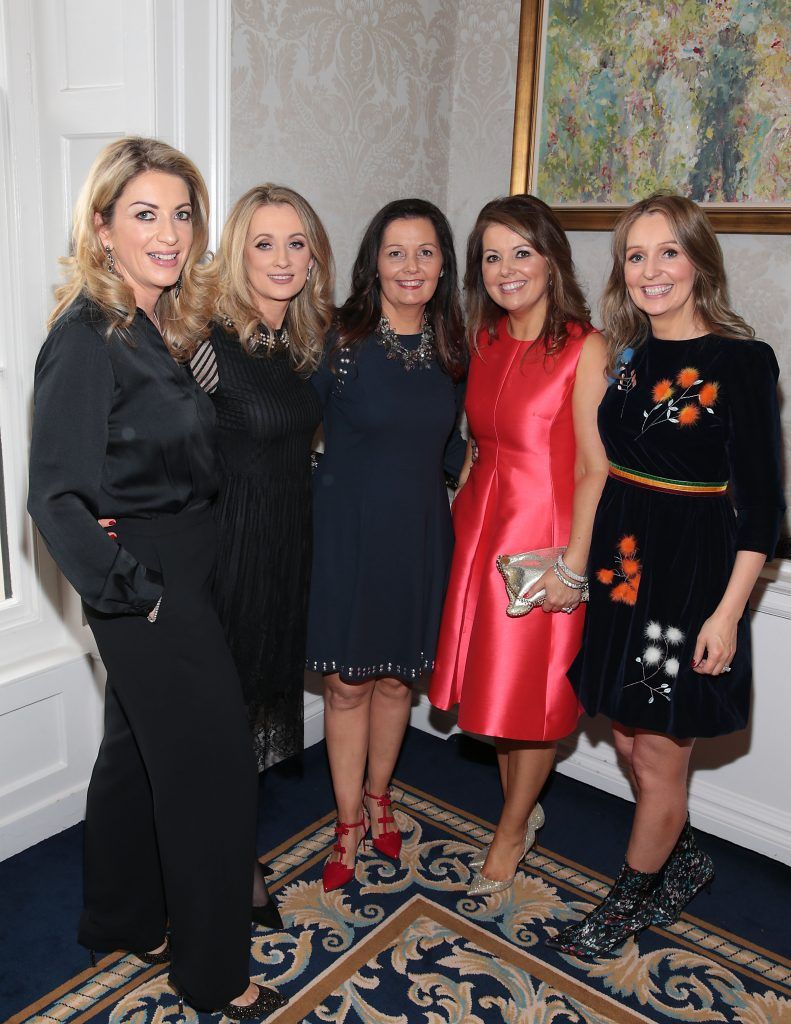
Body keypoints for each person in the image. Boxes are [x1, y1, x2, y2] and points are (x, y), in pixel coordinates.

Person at [27, 137, 286, 1019]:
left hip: (190, 560)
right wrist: (133, 589)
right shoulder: (84, 335)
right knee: (215, 774)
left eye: (181, 213)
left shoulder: (163, 323)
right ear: (102, 228)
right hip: (148, 583)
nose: (169, 233)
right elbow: (53, 496)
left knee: (134, 754)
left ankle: (123, 916)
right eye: (145, 214)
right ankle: (214, 973)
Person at [548, 192, 785, 956]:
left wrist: (726, 614)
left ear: (698, 262)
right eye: (635, 255)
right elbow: (602, 466)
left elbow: (761, 506)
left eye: (667, 252)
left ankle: (626, 899)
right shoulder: (626, 356)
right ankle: (679, 863)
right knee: (625, 734)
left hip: (688, 582)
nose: (651, 271)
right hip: (625, 571)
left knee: (658, 751)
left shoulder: (739, 362)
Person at [429, 195, 610, 896]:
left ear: (550, 259)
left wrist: (574, 565)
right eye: (491, 256)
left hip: (543, 544)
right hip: (481, 532)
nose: (506, 270)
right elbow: (478, 443)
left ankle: (509, 829)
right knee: (498, 694)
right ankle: (518, 811)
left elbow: (595, 468)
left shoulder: (583, 347)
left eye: (520, 253)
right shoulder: (484, 340)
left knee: (531, 703)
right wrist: (457, 520)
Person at [305, 198, 467, 892]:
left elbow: (468, 442)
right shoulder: (338, 340)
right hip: (346, 533)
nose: (409, 266)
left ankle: (380, 797)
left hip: (421, 533)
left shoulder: (458, 347)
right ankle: (346, 820)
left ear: (442, 266)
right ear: (373, 260)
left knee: (399, 678)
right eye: (394, 251)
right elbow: (283, 426)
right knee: (345, 685)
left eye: (424, 252)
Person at [190, 184, 333, 928]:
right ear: (238, 255)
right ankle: (224, 868)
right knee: (222, 724)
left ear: (314, 257)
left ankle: (225, 848)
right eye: (264, 244)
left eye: (296, 243)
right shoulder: (208, 345)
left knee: (247, 719)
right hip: (228, 556)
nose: (282, 259)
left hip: (284, 546)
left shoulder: (296, 345)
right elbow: (163, 445)